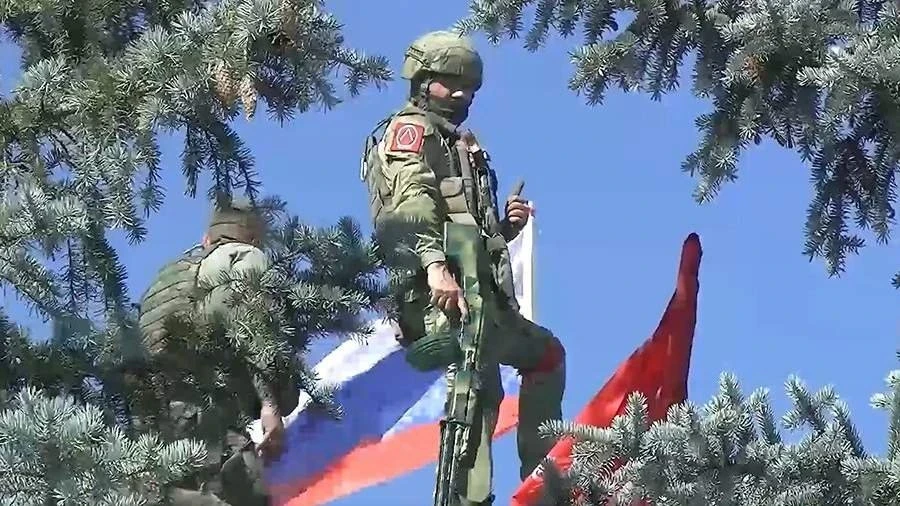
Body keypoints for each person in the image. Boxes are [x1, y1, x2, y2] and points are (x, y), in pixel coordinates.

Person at [360, 30, 566, 505]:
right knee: (476, 391)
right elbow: (409, 207)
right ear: (420, 80)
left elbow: (465, 222)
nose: (460, 94)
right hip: (439, 293)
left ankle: (543, 487)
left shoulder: (460, 142)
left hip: (479, 291)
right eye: (449, 83)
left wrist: (505, 228)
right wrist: (435, 267)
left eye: (468, 87)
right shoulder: (410, 132)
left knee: (546, 356)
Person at [135, 197, 292, 506]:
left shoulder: (168, 276)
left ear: (207, 238)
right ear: (252, 237)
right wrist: (270, 405)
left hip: (152, 423)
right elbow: (253, 328)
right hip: (204, 413)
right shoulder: (243, 256)